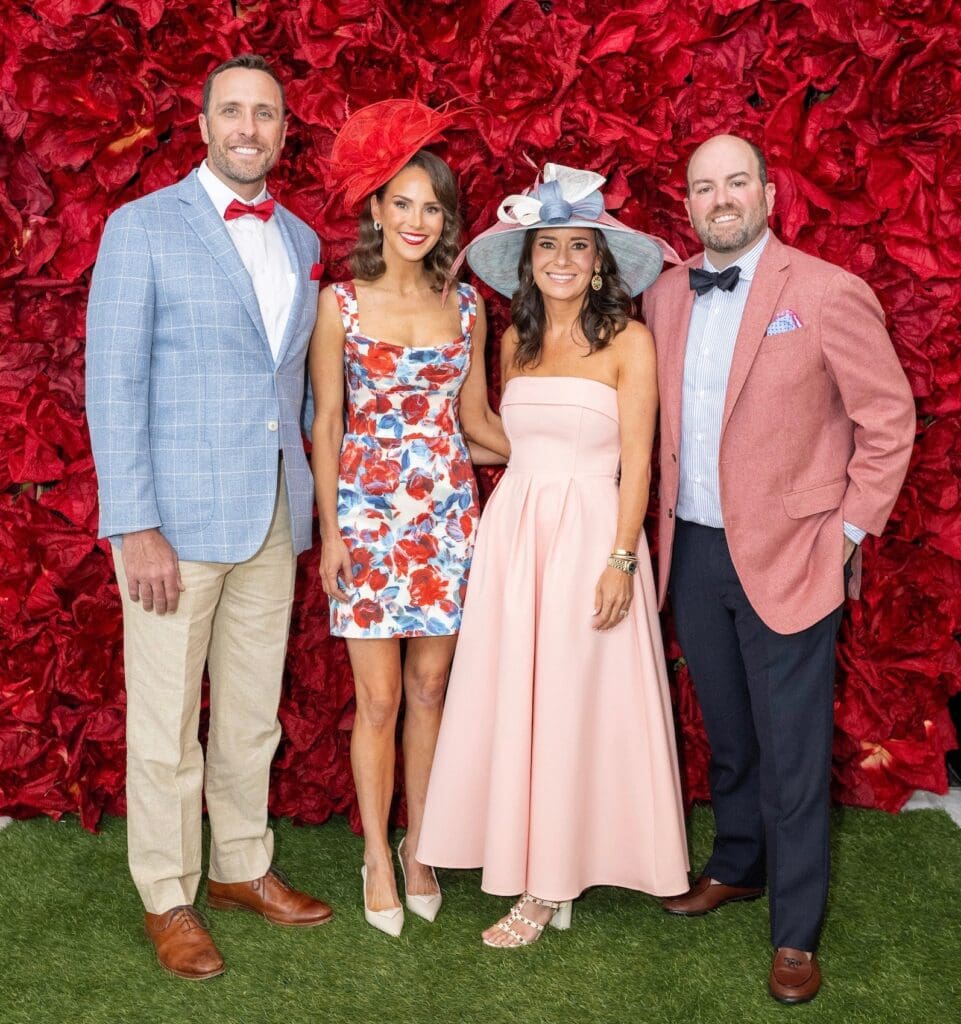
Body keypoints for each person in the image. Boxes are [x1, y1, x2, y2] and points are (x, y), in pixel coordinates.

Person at [643, 134, 915, 1003]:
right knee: (728, 731)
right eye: (702, 187)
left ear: (767, 194)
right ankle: (737, 864)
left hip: (795, 552)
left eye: (735, 182)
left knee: (793, 753)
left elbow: (887, 420)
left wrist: (846, 534)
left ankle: (794, 933)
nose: (719, 199)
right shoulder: (663, 295)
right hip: (692, 548)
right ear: (687, 203)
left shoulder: (827, 292)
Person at [85, 54, 332, 981]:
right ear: (202, 125)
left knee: (251, 714)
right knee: (163, 723)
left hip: (272, 512)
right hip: (173, 525)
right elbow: (112, 383)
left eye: (265, 114)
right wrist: (134, 523)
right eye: (232, 110)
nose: (248, 128)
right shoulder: (141, 226)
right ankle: (167, 893)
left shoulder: (300, 236)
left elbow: (293, 385)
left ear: (283, 131)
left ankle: (239, 865)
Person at [417, 163, 691, 947]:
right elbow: (505, 438)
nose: (562, 259)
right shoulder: (515, 340)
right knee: (520, 697)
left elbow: (637, 460)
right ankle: (526, 857)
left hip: (589, 536)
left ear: (598, 261)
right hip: (515, 535)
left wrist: (620, 560)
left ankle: (548, 885)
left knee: (572, 702)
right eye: (547, 246)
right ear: (528, 260)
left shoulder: (629, 341)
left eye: (577, 245)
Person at [310, 100, 509, 937]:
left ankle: (420, 847)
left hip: (444, 518)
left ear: (446, 218)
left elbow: (477, 420)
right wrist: (329, 532)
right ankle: (375, 854)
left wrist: (566, 456)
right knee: (381, 698)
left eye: (432, 207)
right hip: (364, 517)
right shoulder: (340, 304)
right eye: (402, 203)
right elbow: (327, 422)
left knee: (431, 689)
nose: (417, 220)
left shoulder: (467, 308)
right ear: (376, 210)